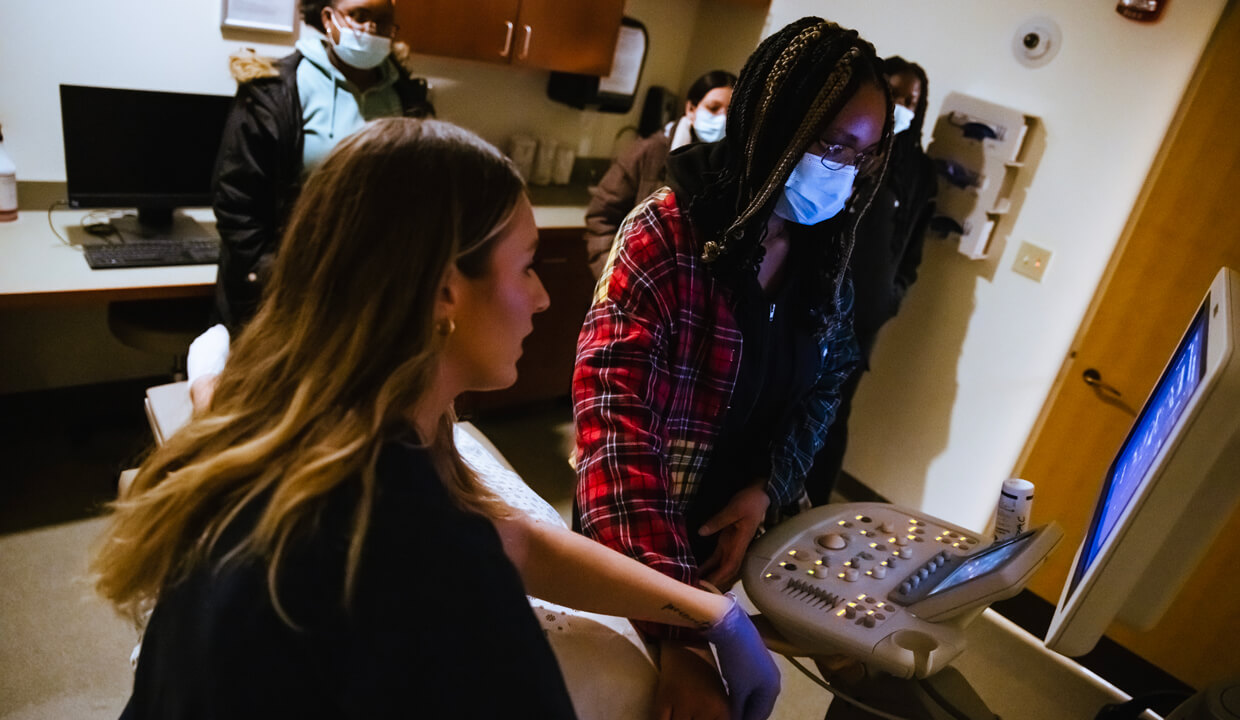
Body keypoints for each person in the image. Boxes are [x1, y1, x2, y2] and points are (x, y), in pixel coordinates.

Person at [93, 118, 778, 720]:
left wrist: (706, 614)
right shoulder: (429, 570)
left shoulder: (296, 431)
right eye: (527, 267)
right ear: (446, 290)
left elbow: (516, 543)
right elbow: (471, 565)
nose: (542, 298)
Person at [573, 17, 893, 718]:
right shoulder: (664, 235)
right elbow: (612, 433)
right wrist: (681, 629)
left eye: (861, 157)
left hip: (727, 527)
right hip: (636, 533)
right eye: (829, 143)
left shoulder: (822, 256)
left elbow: (830, 379)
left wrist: (765, 486)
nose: (841, 169)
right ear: (770, 125)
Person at [211, 0, 434, 332]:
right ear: (329, 19)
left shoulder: (408, 96)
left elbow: (420, 192)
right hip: (286, 292)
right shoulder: (272, 90)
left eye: (384, 20)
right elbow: (236, 202)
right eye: (360, 15)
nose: (371, 29)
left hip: (374, 292)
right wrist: (274, 279)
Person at [804, 55, 937, 507]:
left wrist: (888, 299)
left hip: (863, 319)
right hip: (813, 300)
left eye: (912, 101)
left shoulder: (919, 173)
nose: (902, 106)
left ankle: (811, 510)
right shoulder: (853, 152)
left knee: (833, 418)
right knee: (787, 404)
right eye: (895, 95)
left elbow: (911, 253)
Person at [583, 70, 736, 278]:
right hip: (630, 282)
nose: (722, 119)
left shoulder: (733, 168)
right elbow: (602, 218)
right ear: (691, 109)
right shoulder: (647, 153)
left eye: (731, 110)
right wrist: (613, 278)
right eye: (713, 108)